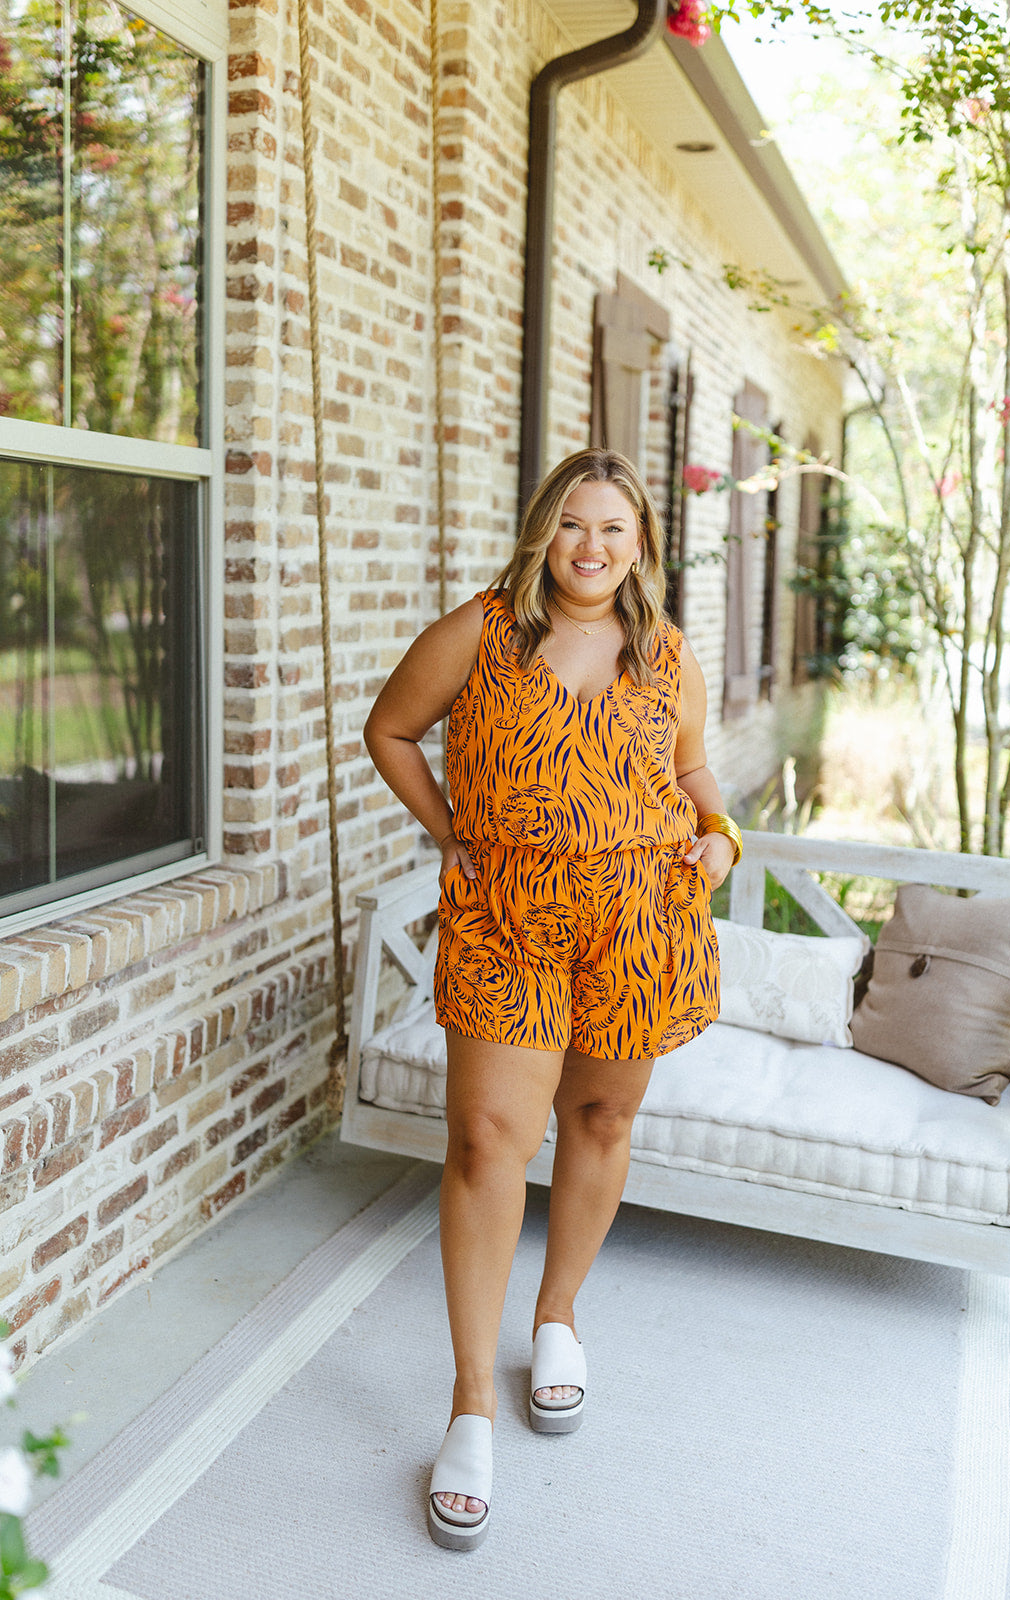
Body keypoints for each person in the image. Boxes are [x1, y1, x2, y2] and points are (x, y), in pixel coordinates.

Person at [363, 447, 741, 1551]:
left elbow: (692, 775)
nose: (590, 546)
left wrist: (719, 839)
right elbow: (390, 730)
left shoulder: (668, 656)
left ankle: (558, 1317)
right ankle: (470, 1404)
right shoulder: (479, 631)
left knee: (601, 1117)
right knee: (485, 1142)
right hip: (505, 917)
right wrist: (449, 835)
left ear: (641, 546)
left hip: (639, 914)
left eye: (612, 529)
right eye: (572, 524)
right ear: (542, 531)